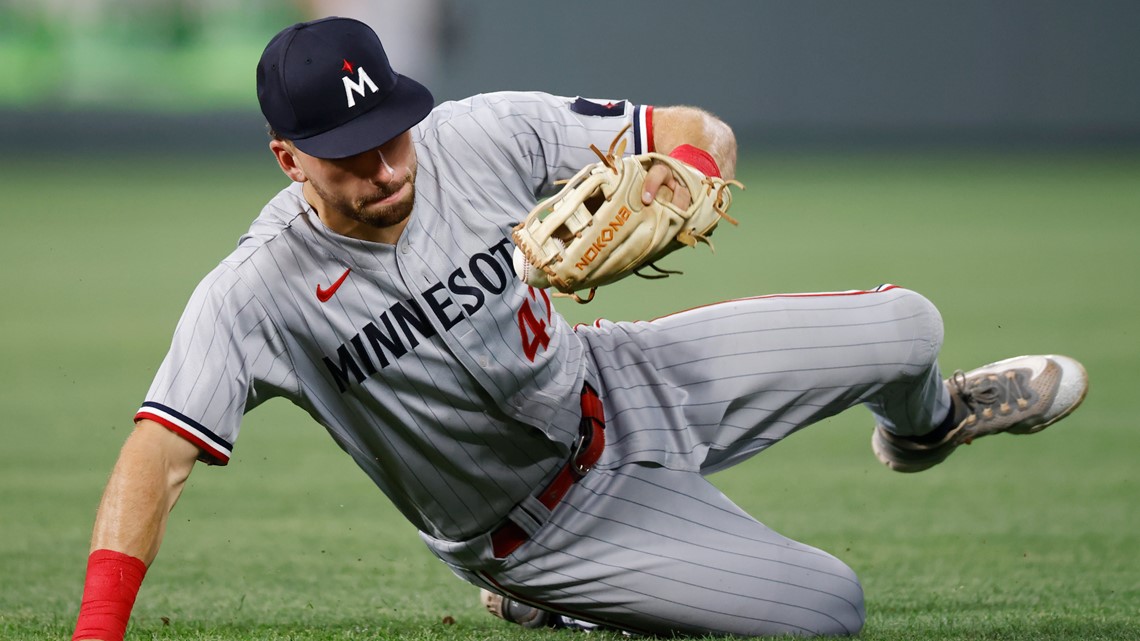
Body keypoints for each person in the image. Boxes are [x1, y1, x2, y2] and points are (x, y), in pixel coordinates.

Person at [71, 16, 1089, 641]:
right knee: (831, 607)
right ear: (288, 159)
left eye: (392, 136)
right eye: (349, 156)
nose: (387, 169)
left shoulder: (479, 133)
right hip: (546, 527)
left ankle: (926, 427)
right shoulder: (255, 292)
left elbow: (694, 127)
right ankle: (552, 602)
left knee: (911, 325)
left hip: (627, 377)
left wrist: (683, 174)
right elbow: (154, 456)